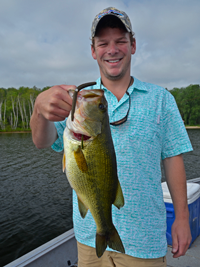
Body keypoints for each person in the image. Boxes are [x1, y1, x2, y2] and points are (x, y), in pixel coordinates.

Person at [30, 7, 193, 267]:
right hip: (88, 237)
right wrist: (39, 109)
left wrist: (182, 219)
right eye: (103, 43)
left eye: (120, 41)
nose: (112, 49)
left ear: (133, 45)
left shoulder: (161, 99)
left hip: (145, 240)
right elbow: (41, 141)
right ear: (94, 51)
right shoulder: (78, 100)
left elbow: (173, 159)